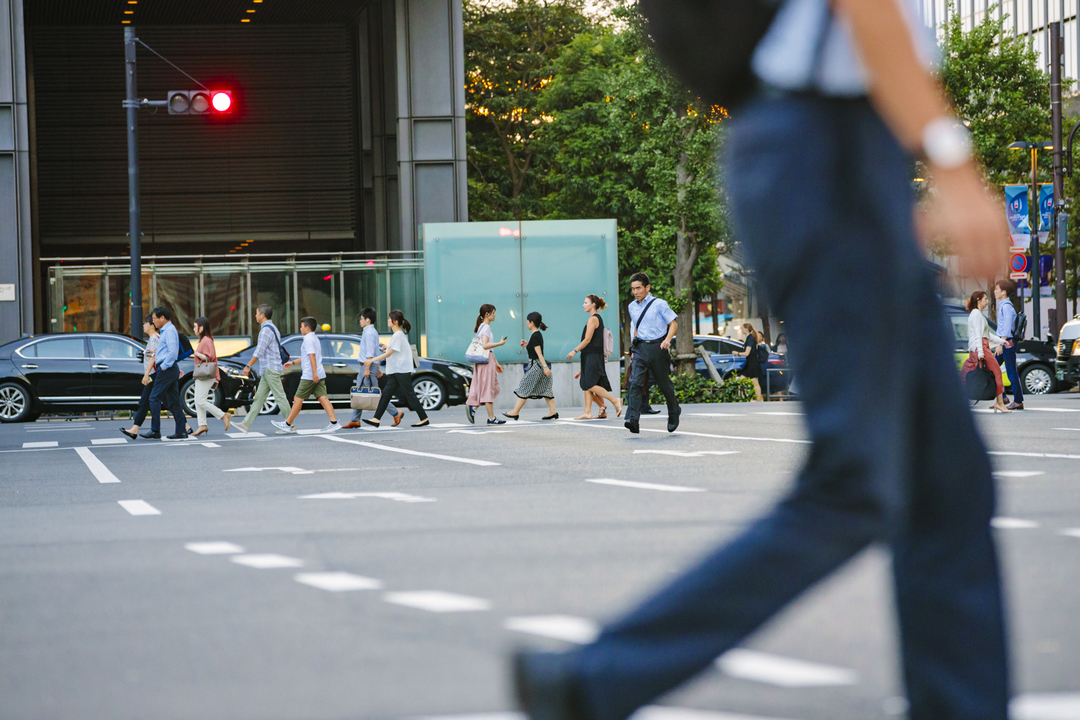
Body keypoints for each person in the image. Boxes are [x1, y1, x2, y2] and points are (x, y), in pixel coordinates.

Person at [512, 0, 1011, 718]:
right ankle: (596, 679)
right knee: (857, 482)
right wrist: (954, 165)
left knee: (948, 488)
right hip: (826, 146)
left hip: (822, 146)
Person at [622, 274, 679, 434]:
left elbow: (673, 323)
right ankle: (633, 420)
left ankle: (674, 412)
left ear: (647, 287)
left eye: (638, 288)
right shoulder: (632, 306)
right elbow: (635, 327)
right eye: (633, 288)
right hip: (640, 348)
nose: (635, 292)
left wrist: (668, 339)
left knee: (663, 384)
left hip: (658, 347)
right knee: (635, 382)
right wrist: (634, 347)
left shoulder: (659, 304)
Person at [272, 317, 342, 434]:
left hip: (310, 375)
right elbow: (307, 356)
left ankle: (287, 424)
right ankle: (334, 423)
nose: (300, 328)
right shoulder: (314, 338)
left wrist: (313, 373)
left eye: (301, 326)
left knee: (298, 398)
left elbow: (312, 356)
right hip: (318, 373)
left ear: (307, 328)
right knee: (323, 398)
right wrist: (293, 362)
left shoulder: (308, 340)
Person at [362, 310, 430, 428]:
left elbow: (389, 354)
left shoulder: (398, 335)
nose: (388, 320)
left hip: (401, 370)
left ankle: (423, 418)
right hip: (397, 371)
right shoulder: (398, 335)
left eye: (390, 319)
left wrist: (371, 360)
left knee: (409, 395)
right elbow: (393, 351)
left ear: (395, 321)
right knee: (386, 395)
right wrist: (388, 347)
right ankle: (376, 419)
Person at [343, 307, 404, 429]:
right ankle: (355, 420)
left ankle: (396, 413)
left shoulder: (370, 333)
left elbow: (370, 352)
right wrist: (377, 368)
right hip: (367, 366)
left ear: (368, 320)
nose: (360, 321)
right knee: (360, 392)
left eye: (361, 319)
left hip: (367, 367)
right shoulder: (368, 331)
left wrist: (368, 369)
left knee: (374, 394)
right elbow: (376, 350)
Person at [566, 295, 623, 420]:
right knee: (588, 384)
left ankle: (615, 401)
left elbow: (587, 340)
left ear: (593, 304)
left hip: (592, 356)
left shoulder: (593, 319)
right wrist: (581, 370)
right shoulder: (597, 319)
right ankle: (591, 411)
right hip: (591, 356)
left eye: (586, 302)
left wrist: (574, 351)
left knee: (591, 384)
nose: (583, 305)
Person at [238, 304, 289, 433]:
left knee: (280, 397)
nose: (255, 316)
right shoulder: (272, 328)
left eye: (256, 313)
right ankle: (245, 424)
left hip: (271, 369)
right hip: (268, 369)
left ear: (263, 315)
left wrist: (248, 366)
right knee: (259, 398)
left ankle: (290, 424)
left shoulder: (266, 330)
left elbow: (259, 351)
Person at [141, 307, 190, 440]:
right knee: (174, 402)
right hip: (169, 368)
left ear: (162, 318)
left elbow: (172, 352)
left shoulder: (169, 331)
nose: (153, 322)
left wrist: (163, 367)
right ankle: (181, 431)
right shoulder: (167, 330)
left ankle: (155, 430)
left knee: (154, 397)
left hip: (167, 369)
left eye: (155, 319)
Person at [961, 290, 1010, 413]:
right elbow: (978, 335)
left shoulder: (977, 314)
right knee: (997, 372)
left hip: (980, 347)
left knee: (965, 372)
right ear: (978, 299)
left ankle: (955, 399)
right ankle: (1000, 403)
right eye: (985, 299)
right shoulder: (976, 314)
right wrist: (981, 353)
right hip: (980, 347)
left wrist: (1002, 342)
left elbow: (987, 335)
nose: (987, 301)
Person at [503, 312, 559, 421]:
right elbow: (535, 350)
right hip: (539, 366)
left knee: (525, 386)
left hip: (536, 366)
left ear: (531, 322)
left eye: (527, 322)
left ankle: (515, 412)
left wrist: (545, 367)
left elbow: (539, 354)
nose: (526, 324)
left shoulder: (535, 336)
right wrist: (527, 345)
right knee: (546, 388)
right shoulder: (536, 335)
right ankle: (553, 412)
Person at [465, 303, 507, 425]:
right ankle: (491, 417)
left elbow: (489, 350)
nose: (495, 315)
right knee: (489, 387)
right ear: (487, 314)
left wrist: (496, 363)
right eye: (493, 312)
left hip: (487, 360)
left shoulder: (481, 327)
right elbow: (485, 346)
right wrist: (500, 343)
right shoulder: (486, 327)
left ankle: (474, 407)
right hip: (486, 361)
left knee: (488, 387)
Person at [191, 317, 232, 437]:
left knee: (200, 401)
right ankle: (202, 425)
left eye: (195, 327)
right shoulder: (204, 340)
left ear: (202, 328)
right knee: (198, 401)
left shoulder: (206, 340)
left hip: (206, 375)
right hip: (203, 375)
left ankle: (223, 415)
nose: (194, 329)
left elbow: (209, 357)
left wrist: (196, 353)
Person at [121, 315, 159, 439]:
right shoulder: (152, 339)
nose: (143, 326)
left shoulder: (155, 339)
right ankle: (135, 429)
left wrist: (146, 374)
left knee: (146, 401)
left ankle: (137, 429)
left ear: (152, 325)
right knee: (168, 401)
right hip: (153, 374)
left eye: (145, 324)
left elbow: (153, 358)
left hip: (153, 374)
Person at [994, 280, 1024, 410]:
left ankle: (1018, 401)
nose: (995, 291)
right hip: (1005, 342)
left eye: (997, 289)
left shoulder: (1006, 307)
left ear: (1003, 292)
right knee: (994, 368)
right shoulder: (1004, 305)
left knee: (1011, 372)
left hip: (1007, 343)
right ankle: (1003, 398)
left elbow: (1006, 327)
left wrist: (1001, 343)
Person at [735, 323, 765, 401]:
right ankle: (743, 398)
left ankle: (758, 400)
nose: (741, 330)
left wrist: (737, 353)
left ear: (746, 329)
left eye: (742, 328)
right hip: (750, 363)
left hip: (752, 364)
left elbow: (747, 353)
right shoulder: (750, 338)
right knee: (742, 380)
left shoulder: (750, 339)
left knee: (755, 383)